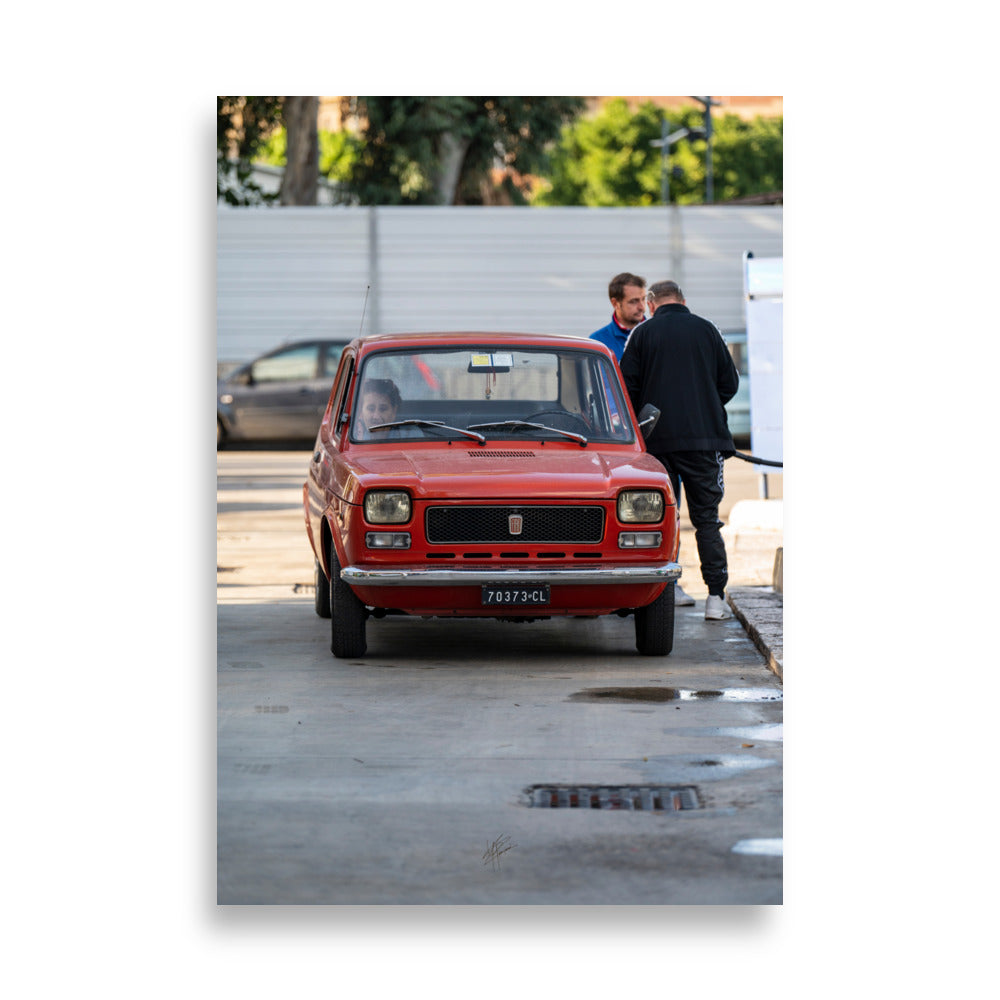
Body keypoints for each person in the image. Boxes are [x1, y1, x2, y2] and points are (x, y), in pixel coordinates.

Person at [620, 280, 740, 620]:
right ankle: (715, 598)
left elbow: (627, 389)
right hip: (705, 442)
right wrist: (704, 406)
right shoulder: (708, 330)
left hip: (657, 444)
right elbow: (729, 383)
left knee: (662, 518)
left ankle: (666, 588)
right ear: (684, 301)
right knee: (707, 520)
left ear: (653, 304)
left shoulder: (642, 334)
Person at [589, 272, 647, 360]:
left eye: (643, 299)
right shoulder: (597, 342)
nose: (641, 307)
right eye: (634, 301)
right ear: (615, 303)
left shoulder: (658, 334)